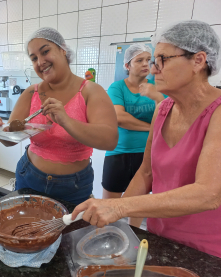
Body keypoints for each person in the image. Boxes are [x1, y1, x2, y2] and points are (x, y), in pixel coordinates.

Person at [71, 20, 221, 258]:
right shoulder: (163, 110)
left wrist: (118, 206)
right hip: (158, 237)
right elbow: (146, 173)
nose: (152, 70)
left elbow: (208, 194)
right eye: (153, 61)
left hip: (206, 250)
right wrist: (115, 223)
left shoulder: (217, 113)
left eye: (162, 60)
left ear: (198, 60)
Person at [0, 27, 118, 205]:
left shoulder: (90, 91)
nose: (40, 62)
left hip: (73, 187)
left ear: (62, 50)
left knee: (70, 233)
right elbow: (10, 139)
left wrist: (66, 120)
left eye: (45, 51)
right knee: (26, 230)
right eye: (34, 58)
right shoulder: (31, 93)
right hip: (29, 177)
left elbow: (109, 140)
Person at [102, 44, 166, 199]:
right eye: (139, 60)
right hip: (119, 152)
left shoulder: (158, 88)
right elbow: (120, 118)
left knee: (138, 202)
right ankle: (110, 226)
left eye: (148, 60)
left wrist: (157, 98)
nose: (145, 64)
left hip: (147, 153)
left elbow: (165, 120)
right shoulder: (117, 87)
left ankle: (133, 226)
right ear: (127, 65)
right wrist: (151, 128)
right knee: (111, 203)